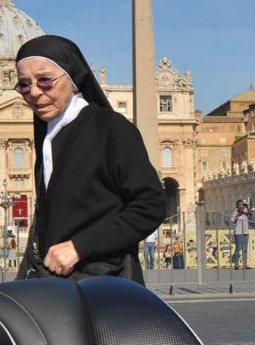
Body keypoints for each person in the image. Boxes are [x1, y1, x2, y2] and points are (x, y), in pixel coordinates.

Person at [15, 35, 165, 285]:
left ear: (73, 80)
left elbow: (150, 205)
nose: (34, 93)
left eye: (45, 81)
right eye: (24, 85)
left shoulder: (110, 128)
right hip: (57, 286)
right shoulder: (49, 134)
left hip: (104, 284)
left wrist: (79, 247)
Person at [231, 200, 249, 269]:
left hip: (245, 232)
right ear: (237, 206)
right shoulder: (234, 213)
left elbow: (251, 214)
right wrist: (239, 214)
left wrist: (247, 207)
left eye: (242, 205)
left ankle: (244, 264)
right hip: (238, 232)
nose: (241, 206)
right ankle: (236, 264)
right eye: (239, 205)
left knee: (245, 248)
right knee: (238, 248)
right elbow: (233, 220)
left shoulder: (245, 212)